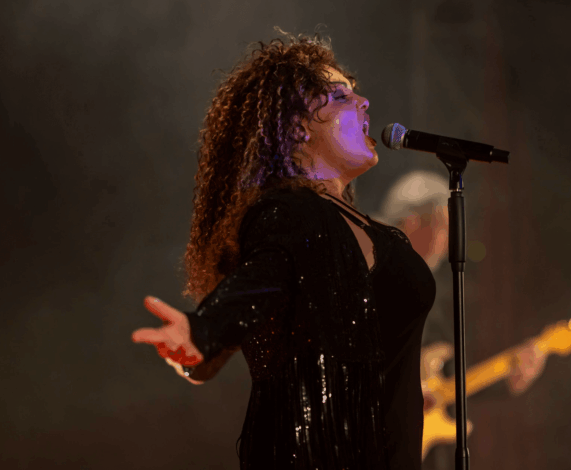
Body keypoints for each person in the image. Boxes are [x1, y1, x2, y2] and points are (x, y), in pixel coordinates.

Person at [131, 28, 436, 470]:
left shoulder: (371, 231)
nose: (363, 101)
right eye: (340, 96)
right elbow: (260, 279)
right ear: (297, 127)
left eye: (355, 92)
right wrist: (203, 331)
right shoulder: (290, 213)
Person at [372, 170, 548, 468]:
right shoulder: (368, 272)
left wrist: (506, 379)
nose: (447, 244)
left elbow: (446, 380)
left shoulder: (432, 293)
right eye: (442, 228)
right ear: (411, 222)